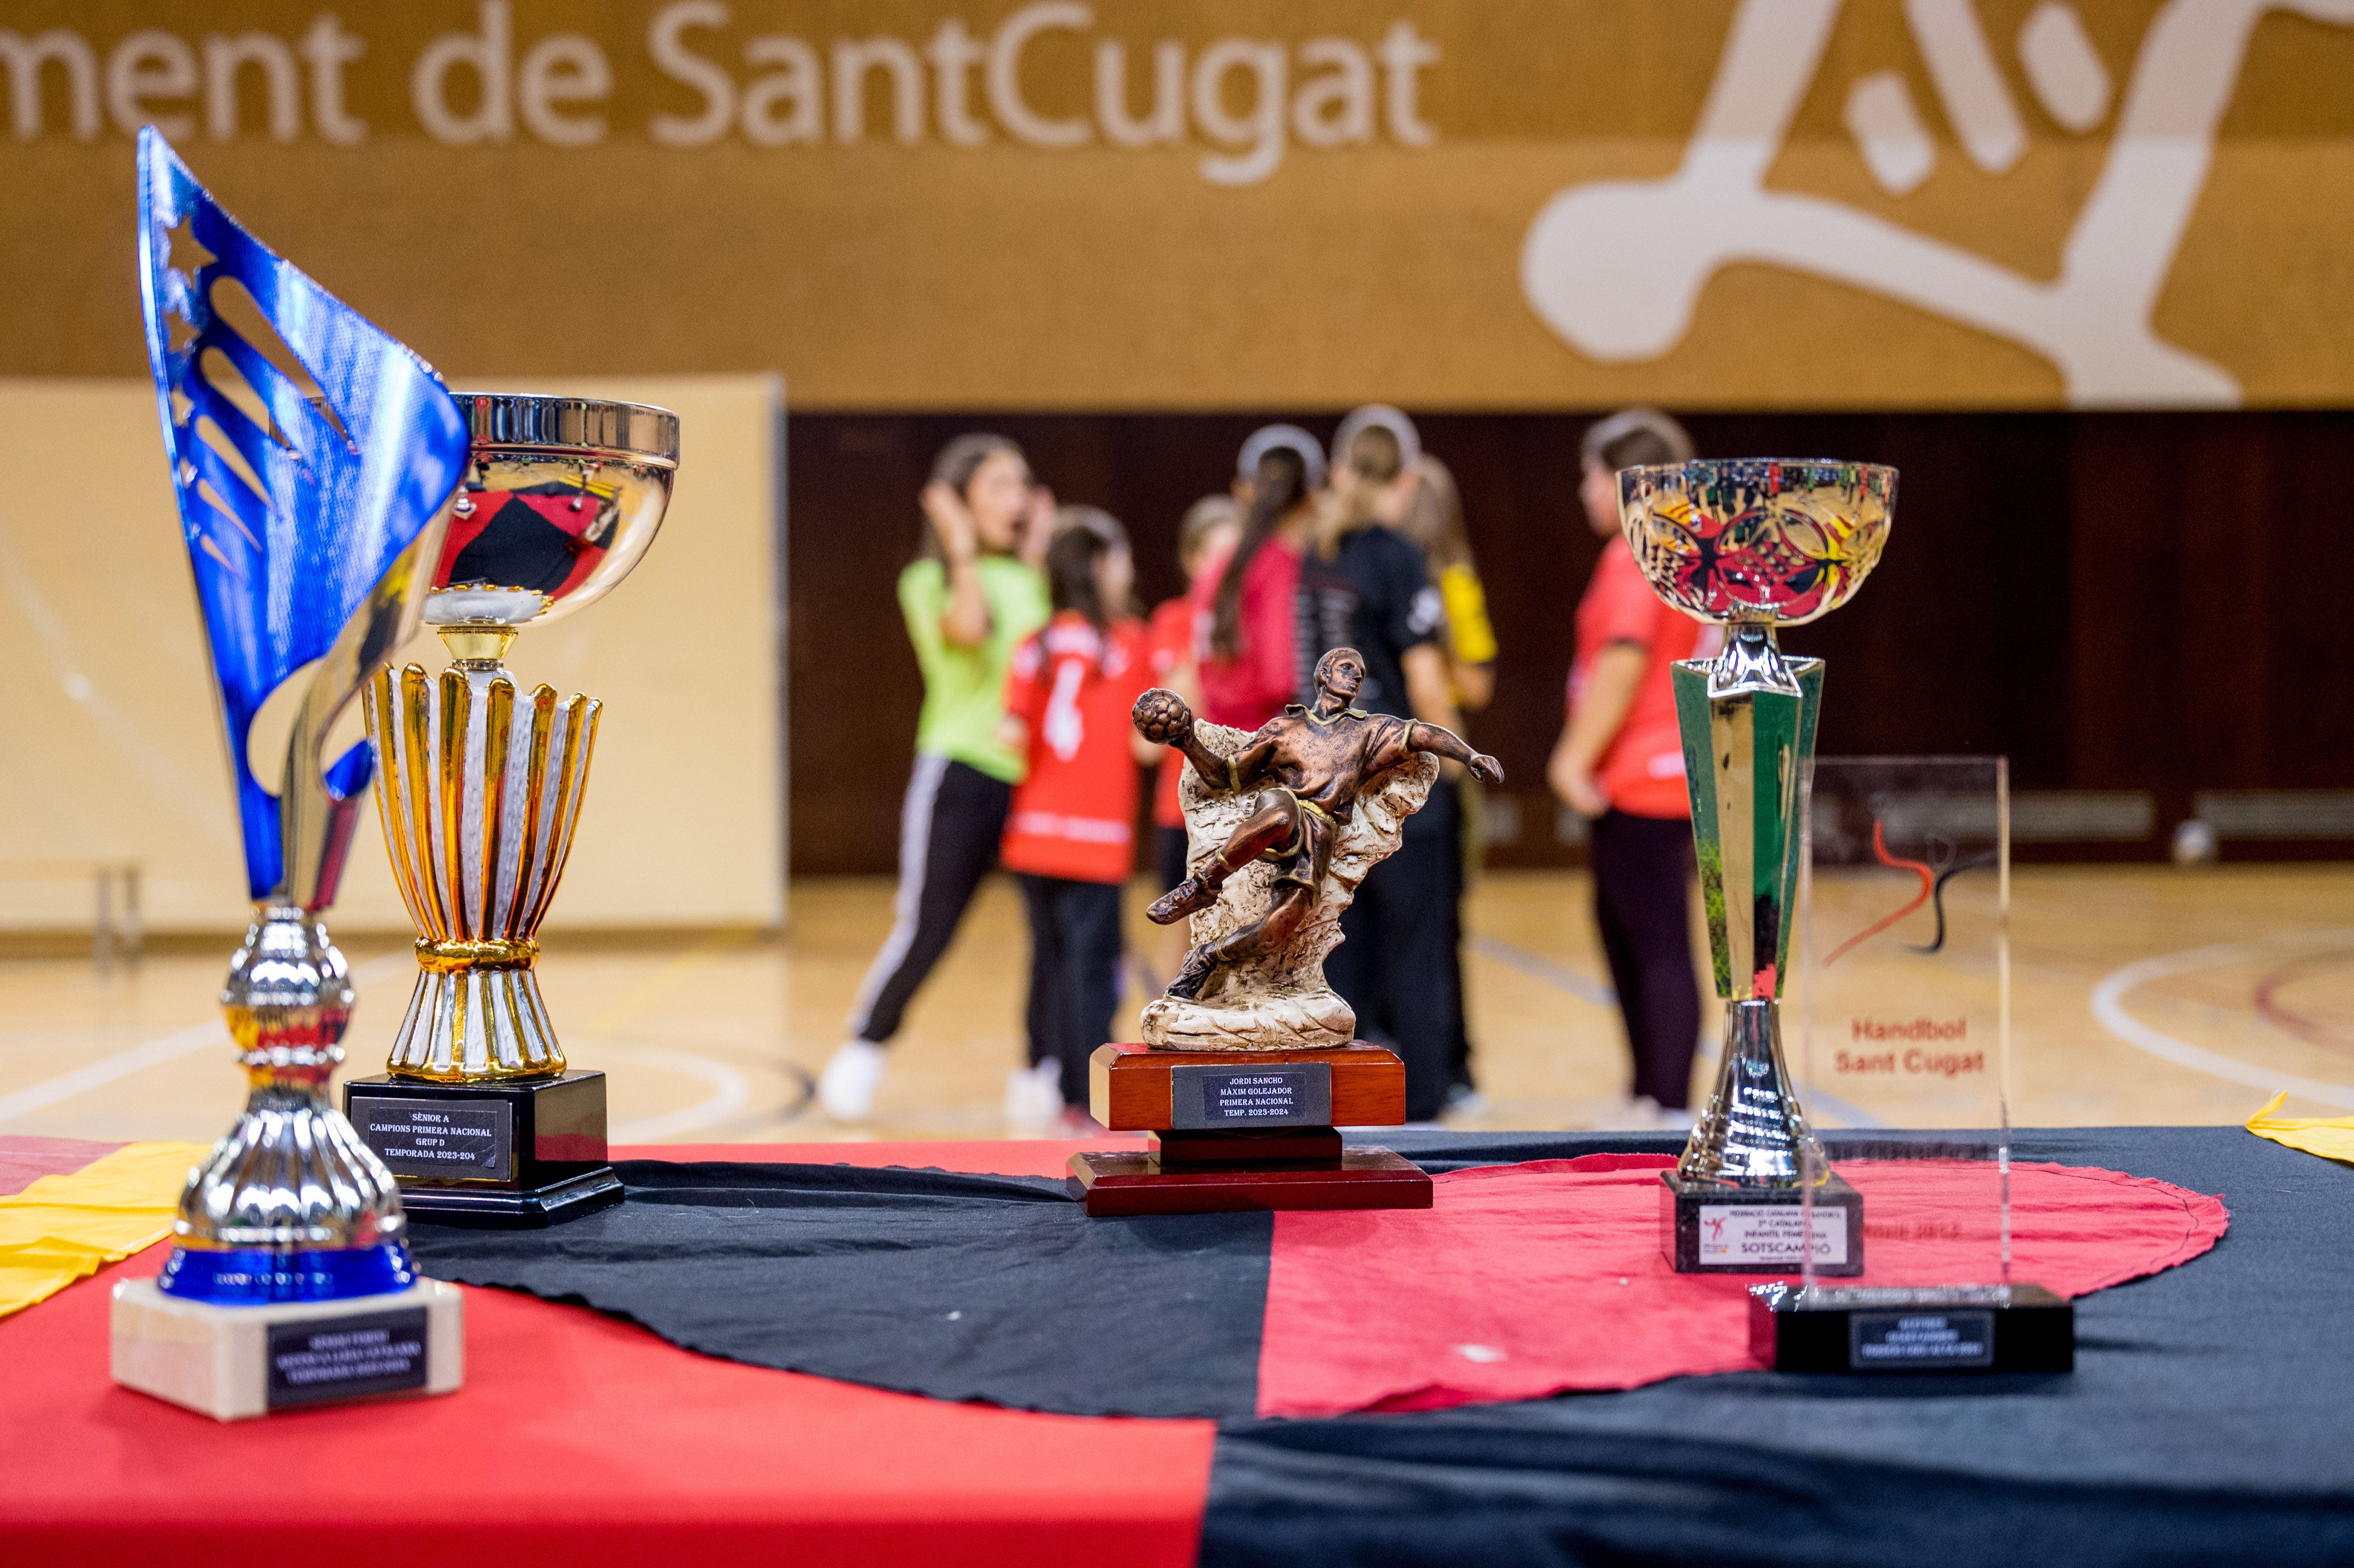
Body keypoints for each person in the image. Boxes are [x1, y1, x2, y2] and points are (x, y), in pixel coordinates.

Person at [820, 434, 1052, 1123]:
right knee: (930, 927)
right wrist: (959, 545)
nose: (1017, 501)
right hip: (961, 772)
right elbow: (972, 632)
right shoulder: (928, 581)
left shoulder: (1034, 579)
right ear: (958, 501)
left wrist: (1038, 562)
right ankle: (866, 1045)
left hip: (1036, 781)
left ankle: (1042, 1068)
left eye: (1023, 485)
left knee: (1050, 935)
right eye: (999, 487)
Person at [1139, 647, 1501, 1000]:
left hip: (1320, 834)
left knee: (1275, 929)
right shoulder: (1286, 728)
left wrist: (1470, 755)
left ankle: (1208, 957)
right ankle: (1202, 886)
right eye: (1346, 667)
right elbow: (1223, 776)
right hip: (1281, 808)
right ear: (1323, 675)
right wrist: (1187, 741)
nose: (1355, 675)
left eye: (1359, 673)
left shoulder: (1368, 732)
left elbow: (1423, 733)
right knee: (1282, 814)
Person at [1548, 407, 1713, 1132]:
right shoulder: (1686, 549)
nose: (1584, 490)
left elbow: (1621, 658)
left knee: (1654, 941)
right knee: (1643, 933)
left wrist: (1572, 757)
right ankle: (1653, 1093)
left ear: (1625, 479)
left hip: (1644, 775)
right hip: (1673, 769)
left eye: (1590, 474)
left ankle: (1667, 1105)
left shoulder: (1635, 552)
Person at [1299, 414, 1464, 1122]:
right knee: (1417, 943)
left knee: (1339, 947)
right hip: (1394, 782)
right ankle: (1422, 1105)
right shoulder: (1398, 555)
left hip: (1318, 782)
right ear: (1404, 481)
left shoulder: (1307, 556)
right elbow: (1425, 679)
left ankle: (1344, 1104)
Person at [998, 509, 1158, 1131]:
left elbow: (1011, 732)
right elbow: (1146, 743)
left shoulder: (1032, 644)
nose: (1132, 571)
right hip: (1096, 839)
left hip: (1035, 834)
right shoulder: (1130, 642)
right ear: (1097, 566)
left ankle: (1042, 1070)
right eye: (1121, 558)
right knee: (1093, 969)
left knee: (1048, 961)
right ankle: (1085, 1094)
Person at [1144, 496, 1242, 986]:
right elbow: (1183, 707)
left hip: (1247, 801)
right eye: (1215, 557)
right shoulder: (1174, 620)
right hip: (1183, 805)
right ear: (1191, 561)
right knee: (1182, 925)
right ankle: (1167, 1024)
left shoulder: (1256, 620)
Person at [1192, 426, 1324, 733]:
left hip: (1217, 745)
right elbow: (1283, 678)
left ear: (1243, 491)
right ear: (1312, 498)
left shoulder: (1214, 569)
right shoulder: (1287, 567)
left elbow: (1199, 672)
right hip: (1271, 750)